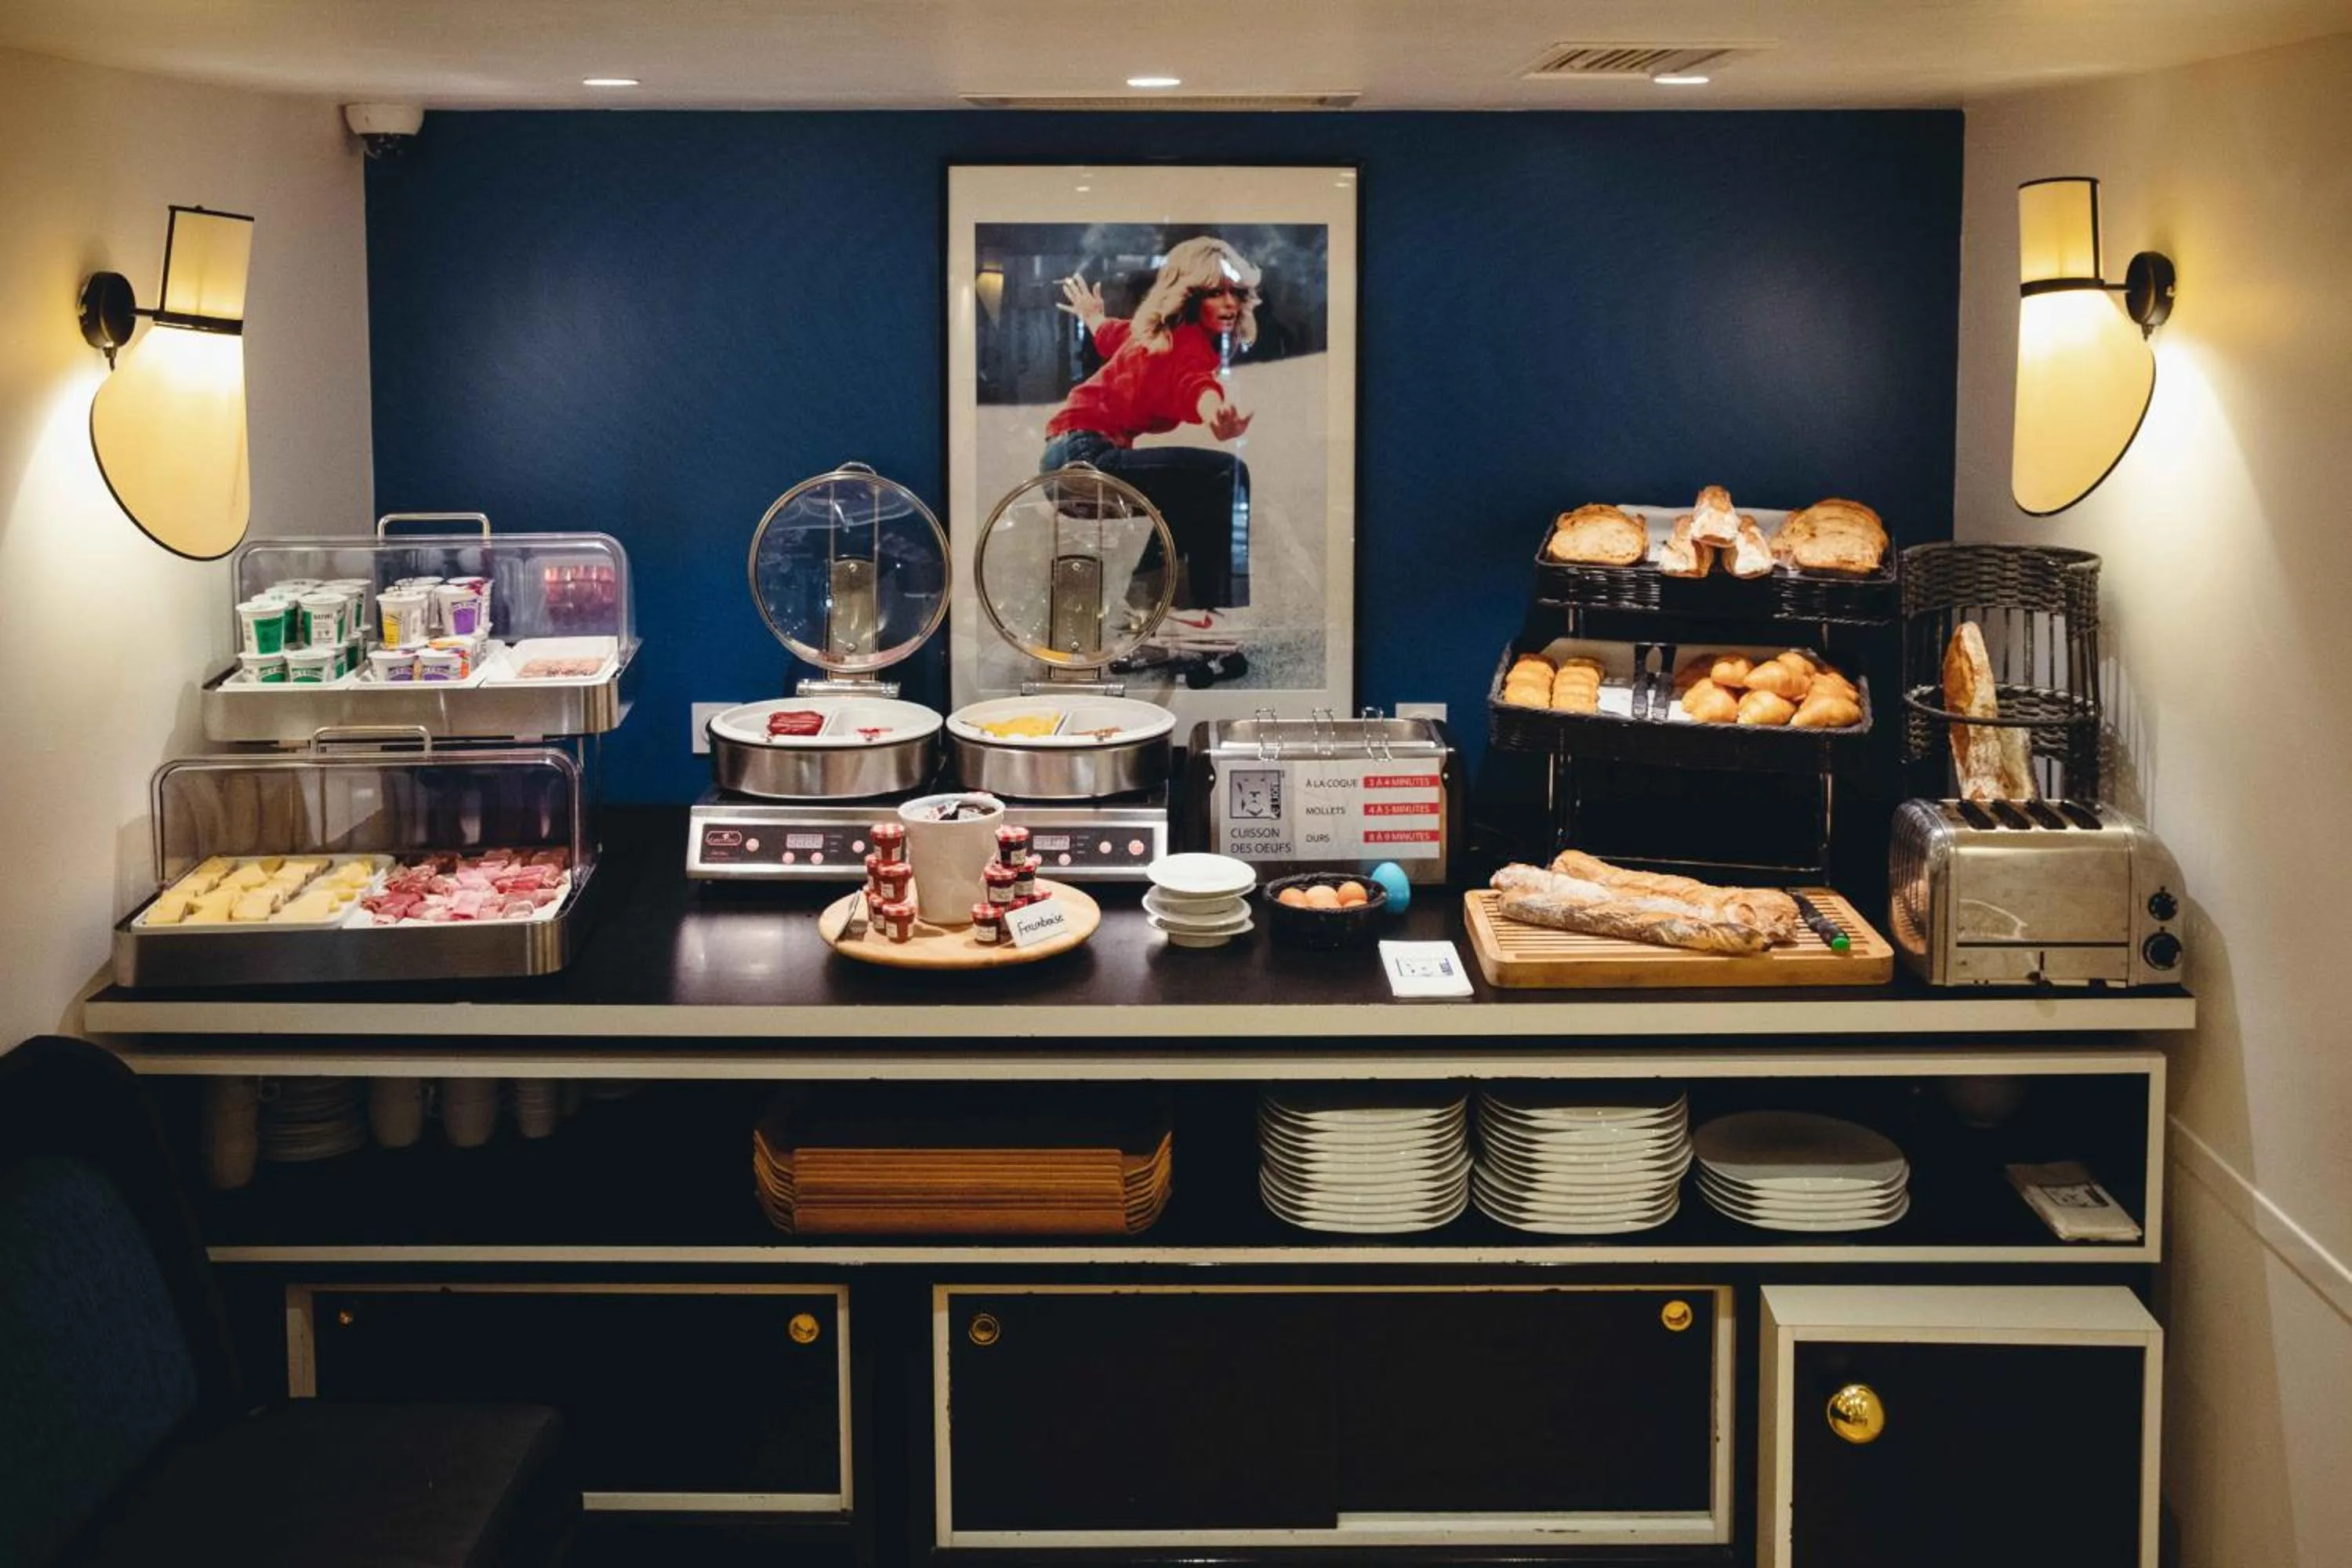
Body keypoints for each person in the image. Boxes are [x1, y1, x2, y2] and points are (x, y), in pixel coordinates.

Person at [1039, 235, 1258, 624]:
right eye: (1215, 293)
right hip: (1088, 457)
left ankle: (1147, 606)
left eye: (1237, 293)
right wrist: (1216, 417)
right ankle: (1189, 607)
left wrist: (1092, 315)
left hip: (1064, 459)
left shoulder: (1151, 335)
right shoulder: (1186, 344)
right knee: (1227, 474)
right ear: (1190, 296)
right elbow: (1195, 386)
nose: (1230, 304)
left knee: (1185, 492)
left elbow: (1108, 335)